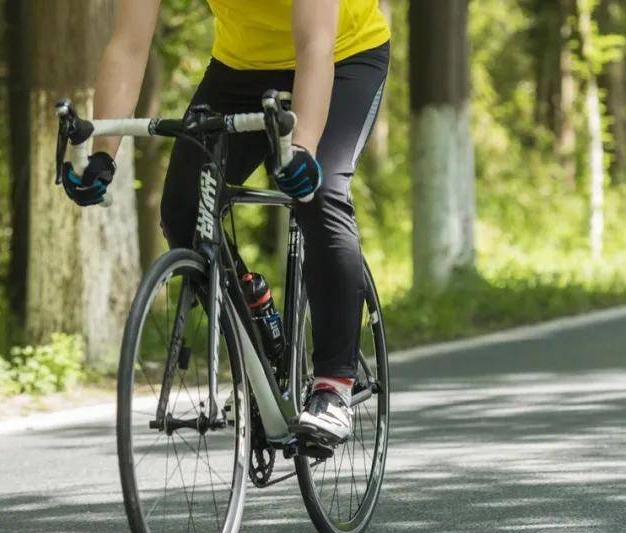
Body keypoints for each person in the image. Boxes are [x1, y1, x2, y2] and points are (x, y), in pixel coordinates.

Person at [61, 0, 390, 444]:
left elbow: (315, 43)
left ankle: (333, 386)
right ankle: (256, 327)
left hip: (342, 56)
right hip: (240, 70)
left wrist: (304, 149)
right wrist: (103, 153)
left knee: (321, 192)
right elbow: (128, 46)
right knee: (183, 212)